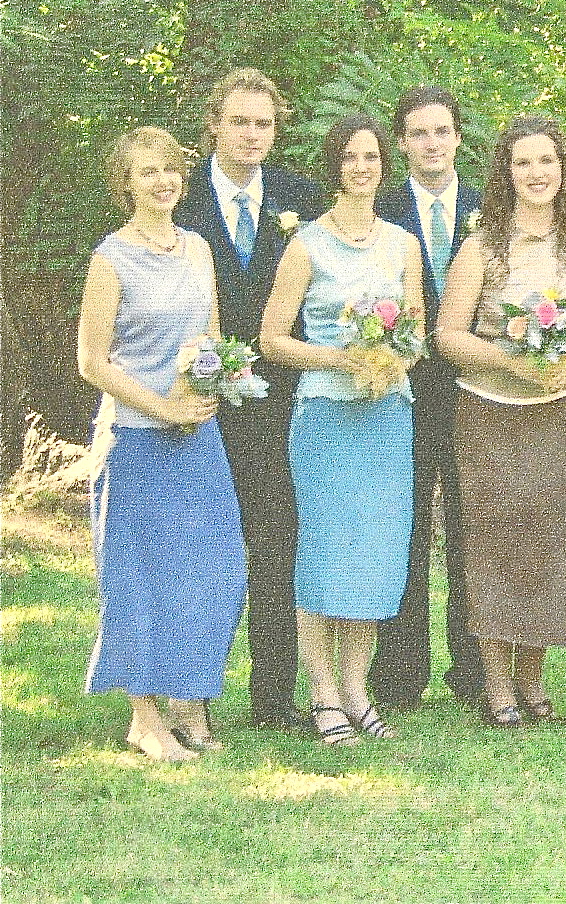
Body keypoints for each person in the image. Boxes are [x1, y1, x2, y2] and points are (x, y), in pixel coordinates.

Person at [78, 127, 247, 762]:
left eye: (171, 169)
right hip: (134, 439)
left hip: (197, 437)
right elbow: (93, 361)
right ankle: (144, 716)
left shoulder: (198, 247)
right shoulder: (111, 259)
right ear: (126, 185)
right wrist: (162, 407)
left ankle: (192, 701)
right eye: (148, 172)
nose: (164, 181)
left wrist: (205, 392)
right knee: (138, 576)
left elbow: (209, 336)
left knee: (213, 572)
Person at [435, 116, 566, 728]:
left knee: (550, 549)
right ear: (506, 174)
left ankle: (534, 677)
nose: (538, 174)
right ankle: (498, 684)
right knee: (494, 548)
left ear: (564, 171)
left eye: (548, 162)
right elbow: (447, 334)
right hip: (490, 414)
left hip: (563, 416)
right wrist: (513, 358)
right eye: (524, 163)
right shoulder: (483, 245)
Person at [261, 114, 424, 746]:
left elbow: (413, 331)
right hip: (326, 415)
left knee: (377, 554)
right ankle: (323, 694)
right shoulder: (305, 244)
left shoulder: (403, 244)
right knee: (327, 551)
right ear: (335, 166)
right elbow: (273, 339)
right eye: (351, 157)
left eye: (373, 156)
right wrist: (341, 358)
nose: (363, 166)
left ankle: (359, 689)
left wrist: (390, 363)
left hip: (387, 414)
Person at [174, 68, 322, 732]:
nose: (252, 134)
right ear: (214, 125)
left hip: (281, 404)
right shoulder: (180, 201)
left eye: (263, 123)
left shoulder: (300, 197)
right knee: (200, 550)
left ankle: (272, 699)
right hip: (198, 404)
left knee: (276, 547)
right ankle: (191, 691)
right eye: (239, 121)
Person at [368, 86, 487, 711]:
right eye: (418, 133)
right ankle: (400, 674)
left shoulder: (491, 206)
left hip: (478, 391)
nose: (431, 144)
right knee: (404, 526)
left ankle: (474, 671)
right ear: (402, 142)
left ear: (459, 138)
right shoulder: (379, 209)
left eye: (442, 131)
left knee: (473, 528)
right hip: (401, 392)